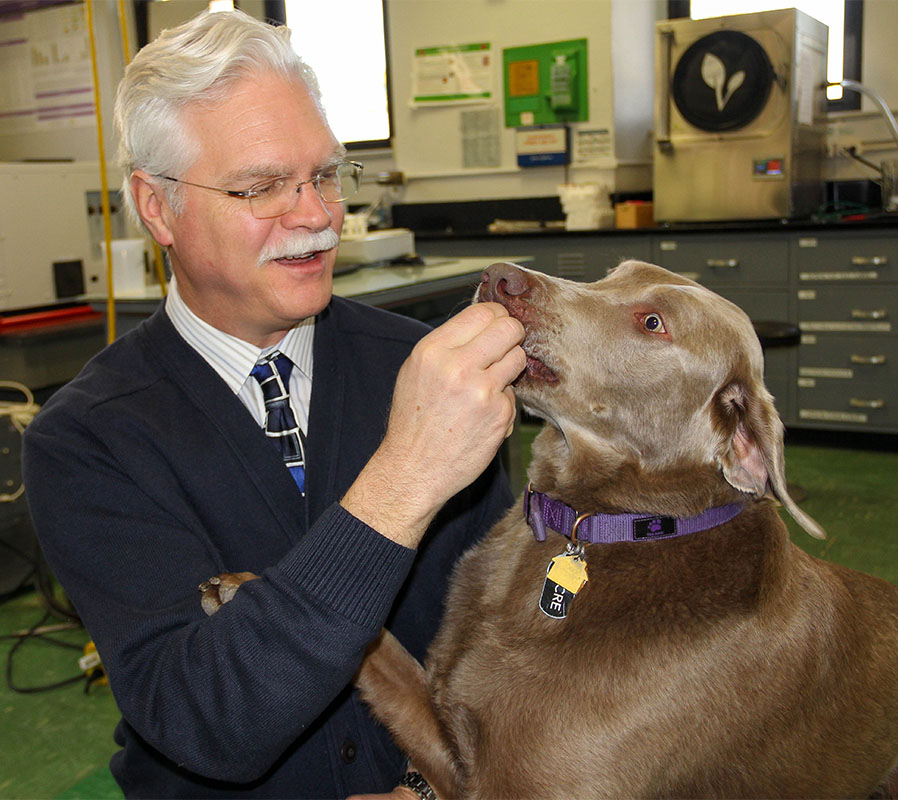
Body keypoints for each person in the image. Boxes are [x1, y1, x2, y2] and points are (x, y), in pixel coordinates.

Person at [22, 9, 525, 799]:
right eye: (261, 187)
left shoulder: (428, 371)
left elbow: (519, 625)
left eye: (325, 176)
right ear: (156, 206)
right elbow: (206, 719)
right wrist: (406, 476)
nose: (318, 217)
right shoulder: (87, 441)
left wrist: (437, 789)